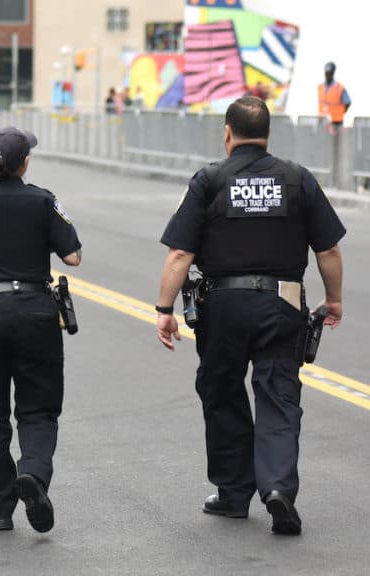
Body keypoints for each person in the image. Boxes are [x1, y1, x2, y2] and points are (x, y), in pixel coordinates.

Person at [156, 96, 346, 536]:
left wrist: (165, 309)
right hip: (282, 304)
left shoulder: (209, 180)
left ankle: (233, 493)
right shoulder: (297, 179)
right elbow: (329, 249)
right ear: (268, 135)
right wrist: (333, 298)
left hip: (223, 306)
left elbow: (181, 252)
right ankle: (278, 488)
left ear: (227, 132)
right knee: (279, 395)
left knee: (222, 391)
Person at [0, 127, 82, 533]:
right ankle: (34, 474)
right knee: (38, 408)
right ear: (25, 162)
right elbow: (73, 257)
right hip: (37, 314)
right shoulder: (43, 200)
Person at [318, 62, 351, 132]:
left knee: (336, 142)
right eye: (326, 73)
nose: (327, 75)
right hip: (323, 121)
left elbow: (348, 102)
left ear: (333, 73)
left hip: (336, 122)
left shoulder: (339, 88)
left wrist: (340, 112)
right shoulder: (320, 87)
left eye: (329, 73)